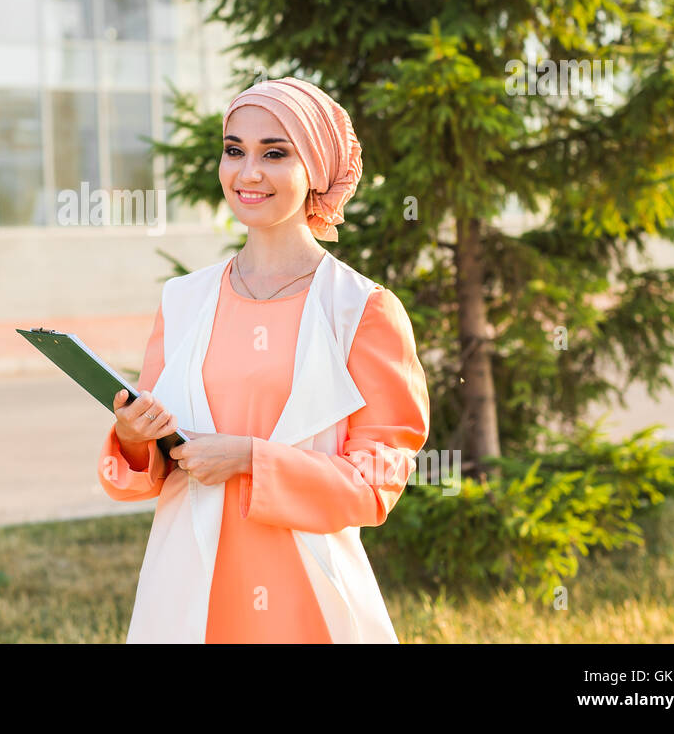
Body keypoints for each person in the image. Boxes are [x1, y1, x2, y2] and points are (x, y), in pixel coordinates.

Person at [97, 76, 430, 644]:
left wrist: (251, 459)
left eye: (275, 153)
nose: (248, 172)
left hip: (306, 598)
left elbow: (376, 483)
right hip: (188, 589)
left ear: (317, 171)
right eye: (235, 151)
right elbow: (147, 469)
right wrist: (133, 435)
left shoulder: (362, 310)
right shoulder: (182, 301)